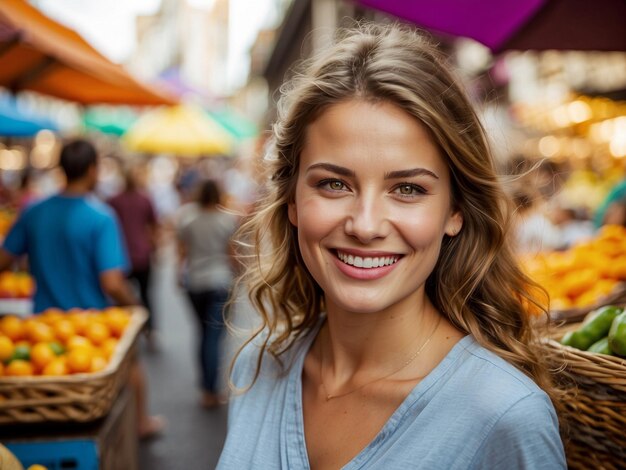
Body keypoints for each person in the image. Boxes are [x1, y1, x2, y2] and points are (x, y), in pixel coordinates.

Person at [217, 23, 565, 469]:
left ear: (455, 211)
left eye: (408, 190)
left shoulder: (504, 417)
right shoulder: (259, 368)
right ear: (291, 201)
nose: (365, 225)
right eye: (334, 183)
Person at [0, 139, 164, 439]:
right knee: (131, 364)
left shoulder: (34, 212)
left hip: (42, 329)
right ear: (93, 170)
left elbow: (5, 258)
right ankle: (142, 423)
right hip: (90, 332)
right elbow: (112, 282)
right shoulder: (100, 217)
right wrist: (135, 306)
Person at [177, 179, 238, 408]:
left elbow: (182, 251)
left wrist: (178, 274)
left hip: (194, 281)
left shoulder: (187, 216)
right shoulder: (226, 219)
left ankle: (206, 388)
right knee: (214, 337)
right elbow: (231, 253)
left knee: (202, 334)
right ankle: (210, 389)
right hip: (220, 281)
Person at [108, 163, 159, 346]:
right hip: (141, 254)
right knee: (146, 295)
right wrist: (155, 248)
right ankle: (150, 331)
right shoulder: (144, 199)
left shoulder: (114, 200)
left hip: (122, 256)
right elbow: (154, 227)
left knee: (122, 299)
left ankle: (123, 332)